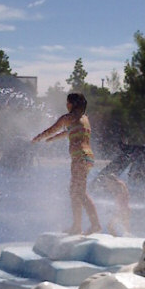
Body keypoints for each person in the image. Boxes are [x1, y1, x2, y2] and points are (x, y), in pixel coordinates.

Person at [32, 93, 101, 235]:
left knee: (79, 192)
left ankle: (95, 225)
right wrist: (52, 139)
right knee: (74, 192)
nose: (66, 105)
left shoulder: (67, 118)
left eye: (68, 102)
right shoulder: (83, 119)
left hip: (79, 157)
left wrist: (37, 138)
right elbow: (67, 132)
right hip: (87, 157)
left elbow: (52, 129)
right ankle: (77, 226)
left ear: (72, 104)